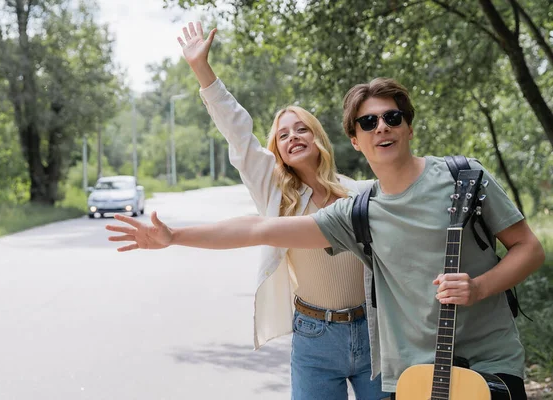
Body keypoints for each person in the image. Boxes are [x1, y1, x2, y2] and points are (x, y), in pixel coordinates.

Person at [106, 75, 545, 399]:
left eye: (391, 117)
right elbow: (258, 227)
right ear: (355, 139)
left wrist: (480, 286)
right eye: (368, 122)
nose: (381, 128)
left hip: (486, 362)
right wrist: (174, 235)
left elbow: (529, 247)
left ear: (408, 126)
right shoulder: (358, 212)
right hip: (406, 372)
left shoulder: (462, 177)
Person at [149, 22, 389, 400]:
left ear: (317, 137)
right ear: (277, 150)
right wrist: (202, 70)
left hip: (373, 333)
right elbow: (237, 131)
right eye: (283, 134)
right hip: (315, 337)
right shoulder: (277, 195)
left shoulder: (359, 193)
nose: (293, 136)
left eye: (301, 129)